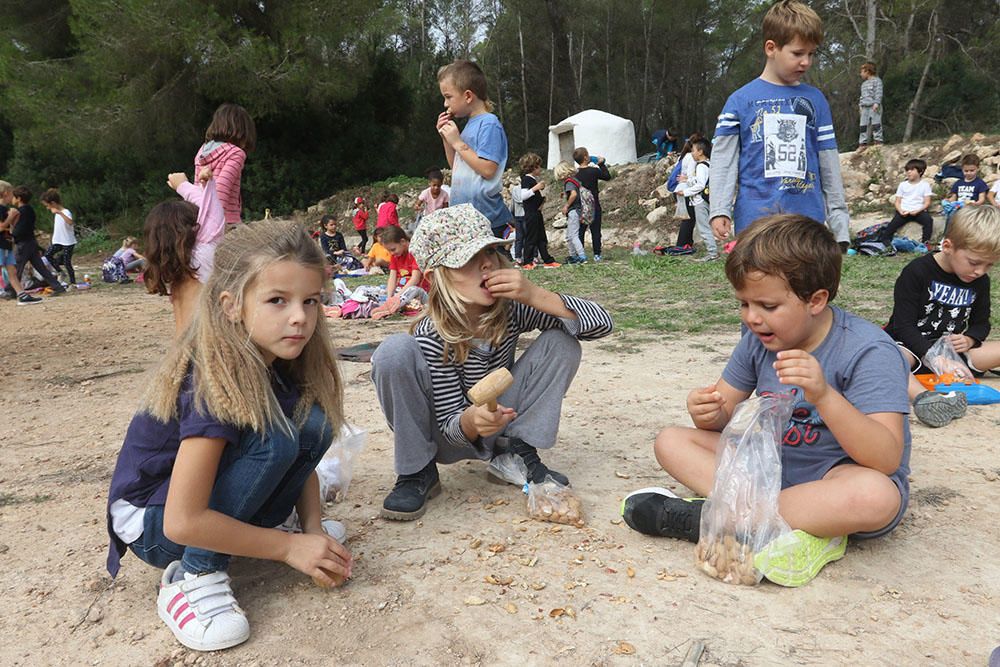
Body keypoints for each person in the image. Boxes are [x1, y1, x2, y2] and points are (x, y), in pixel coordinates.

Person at [623, 214, 911, 587]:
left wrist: (824, 395)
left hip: (835, 476)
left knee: (875, 496)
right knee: (671, 441)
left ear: (816, 300)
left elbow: (885, 458)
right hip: (769, 470)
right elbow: (721, 417)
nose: (753, 318)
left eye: (768, 306)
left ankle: (713, 520)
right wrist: (708, 411)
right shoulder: (758, 341)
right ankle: (782, 528)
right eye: (744, 304)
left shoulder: (868, 350)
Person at [105, 221, 351, 652]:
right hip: (152, 521)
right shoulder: (210, 381)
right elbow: (182, 521)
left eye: (310, 301)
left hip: (190, 508)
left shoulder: (275, 358)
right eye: (277, 300)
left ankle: (264, 529)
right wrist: (288, 548)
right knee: (276, 437)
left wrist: (312, 530)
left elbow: (305, 459)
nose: (300, 317)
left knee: (313, 423)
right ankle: (192, 577)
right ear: (232, 305)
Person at [371, 204, 613, 520]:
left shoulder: (510, 309)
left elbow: (603, 324)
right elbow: (448, 426)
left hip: (499, 420)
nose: (486, 264)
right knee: (394, 352)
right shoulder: (433, 333)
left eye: (490, 252)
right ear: (436, 277)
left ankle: (516, 450)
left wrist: (535, 294)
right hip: (448, 433)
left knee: (562, 342)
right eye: (469, 259)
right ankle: (417, 471)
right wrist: (471, 422)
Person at [709, 0, 851, 251]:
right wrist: (719, 209)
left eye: (811, 54)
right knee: (761, 288)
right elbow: (724, 159)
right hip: (756, 224)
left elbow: (828, 162)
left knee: (802, 288)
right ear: (771, 48)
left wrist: (839, 223)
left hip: (807, 224)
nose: (806, 62)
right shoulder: (740, 101)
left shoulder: (816, 100)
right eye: (798, 53)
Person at [883, 204, 1000, 427]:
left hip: (953, 353)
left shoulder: (980, 281)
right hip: (912, 346)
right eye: (974, 262)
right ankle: (925, 399)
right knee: (890, 360)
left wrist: (970, 339)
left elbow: (981, 323)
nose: (980, 271)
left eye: (989, 265)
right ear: (948, 246)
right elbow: (902, 325)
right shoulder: (917, 271)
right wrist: (933, 356)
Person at [436, 60, 511, 238]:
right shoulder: (470, 125)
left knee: (490, 266)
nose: (445, 104)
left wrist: (457, 143)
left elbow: (487, 170)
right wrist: (446, 139)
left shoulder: (489, 123)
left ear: (468, 96)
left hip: (487, 219)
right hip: (466, 218)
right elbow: (457, 165)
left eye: (448, 96)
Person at [194, 103, 255, 228]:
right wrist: (213, 224)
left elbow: (197, 188)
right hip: (224, 222)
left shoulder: (202, 151)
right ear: (241, 131)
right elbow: (221, 189)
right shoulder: (236, 153)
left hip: (199, 218)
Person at [10, 186, 67, 295]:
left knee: (17, 267)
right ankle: (57, 286)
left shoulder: (21, 212)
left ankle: (11, 290)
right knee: (41, 267)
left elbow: (21, 229)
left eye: (14, 197)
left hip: (24, 243)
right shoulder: (30, 210)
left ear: (19, 199)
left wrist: (13, 235)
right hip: (31, 242)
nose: (12, 199)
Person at [514, 153, 559, 270]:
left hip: (536, 212)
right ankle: (527, 262)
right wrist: (536, 188)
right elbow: (523, 196)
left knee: (541, 238)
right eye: (538, 167)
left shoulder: (532, 179)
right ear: (533, 167)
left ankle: (548, 260)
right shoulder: (527, 180)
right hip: (531, 214)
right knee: (531, 238)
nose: (540, 169)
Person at [877, 159, 935, 249]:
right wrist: (900, 210)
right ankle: (886, 243)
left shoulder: (925, 185)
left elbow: (927, 202)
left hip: (918, 211)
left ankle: (925, 243)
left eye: (912, 170)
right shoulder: (903, 185)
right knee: (891, 226)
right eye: (907, 170)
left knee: (928, 221)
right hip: (903, 211)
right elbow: (897, 201)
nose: (909, 172)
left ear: (920, 171)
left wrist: (918, 210)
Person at [0, 181, 42, 304]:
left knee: (12, 271)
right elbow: (1, 227)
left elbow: (10, 227)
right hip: (0, 244)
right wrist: (10, 216)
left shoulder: (6, 209)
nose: (12, 197)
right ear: (6, 193)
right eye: (11, 194)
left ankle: (22, 295)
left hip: (6, 243)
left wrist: (14, 217)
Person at [680, 138, 718, 262]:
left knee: (703, 228)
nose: (692, 153)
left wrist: (685, 192)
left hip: (700, 201)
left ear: (700, 152)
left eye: (694, 150)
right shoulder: (709, 164)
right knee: (705, 226)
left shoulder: (701, 166)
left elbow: (700, 185)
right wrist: (688, 180)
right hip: (706, 199)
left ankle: (712, 253)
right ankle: (712, 252)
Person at [572, 147, 612, 261]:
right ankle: (597, 254)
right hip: (594, 205)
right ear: (585, 157)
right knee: (595, 231)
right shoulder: (593, 171)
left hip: (580, 206)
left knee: (580, 231)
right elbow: (607, 176)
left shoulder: (575, 174)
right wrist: (601, 163)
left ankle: (580, 254)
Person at [40, 188, 77, 286]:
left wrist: (60, 213)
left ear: (53, 203)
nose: (47, 208)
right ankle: (60, 272)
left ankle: (73, 282)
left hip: (68, 242)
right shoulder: (56, 214)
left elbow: (70, 222)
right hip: (58, 241)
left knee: (67, 262)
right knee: (48, 255)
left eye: (47, 205)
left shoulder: (65, 212)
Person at [381, 225, 429, 299]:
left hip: (418, 290)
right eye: (389, 251)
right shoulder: (395, 256)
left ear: (402, 242)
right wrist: (389, 297)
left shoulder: (414, 252)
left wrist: (397, 297)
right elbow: (392, 278)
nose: (391, 253)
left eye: (393, 249)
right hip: (402, 290)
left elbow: (415, 279)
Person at [553, 161, 588, 264]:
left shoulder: (568, 182)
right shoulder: (574, 180)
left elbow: (573, 194)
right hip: (578, 210)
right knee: (569, 236)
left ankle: (581, 256)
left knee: (573, 235)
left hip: (574, 211)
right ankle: (573, 255)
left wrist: (566, 205)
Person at [857, 62, 883, 150]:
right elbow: (862, 96)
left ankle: (878, 141)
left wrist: (877, 103)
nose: (861, 74)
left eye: (862, 72)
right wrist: (860, 105)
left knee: (876, 123)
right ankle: (863, 143)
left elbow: (878, 93)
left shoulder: (877, 81)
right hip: (865, 107)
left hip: (873, 106)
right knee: (863, 125)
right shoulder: (863, 84)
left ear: (867, 71)